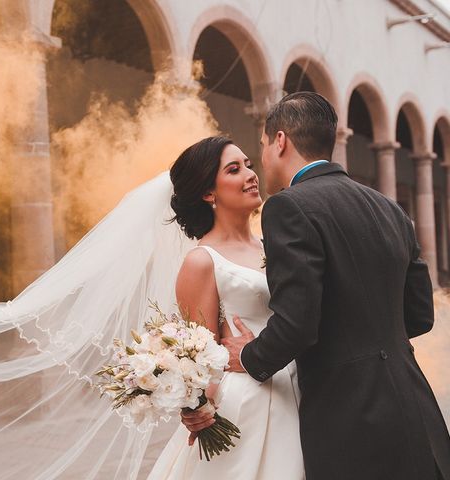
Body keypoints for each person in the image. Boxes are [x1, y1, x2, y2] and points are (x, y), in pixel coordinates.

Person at [181, 92, 450, 480]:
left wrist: (251, 355)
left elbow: (299, 322)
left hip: (347, 413)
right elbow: (420, 315)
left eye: (258, 150)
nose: (256, 169)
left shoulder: (289, 207)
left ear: (280, 141)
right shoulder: (390, 208)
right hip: (412, 402)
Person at [148, 136, 305, 479]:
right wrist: (197, 408)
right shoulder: (202, 261)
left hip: (298, 388)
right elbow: (198, 355)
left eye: (249, 164)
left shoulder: (273, 247)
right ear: (209, 193)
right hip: (247, 402)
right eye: (234, 169)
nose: (250, 174)